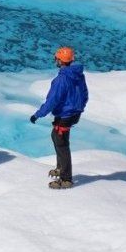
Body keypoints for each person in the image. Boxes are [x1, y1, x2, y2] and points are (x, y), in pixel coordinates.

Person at [30, 46, 89, 189]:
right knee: (56, 136)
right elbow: (85, 94)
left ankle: (66, 179)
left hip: (65, 115)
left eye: (56, 58)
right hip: (74, 113)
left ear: (60, 61)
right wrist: (78, 108)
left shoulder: (61, 80)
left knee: (61, 143)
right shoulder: (78, 75)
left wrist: (38, 114)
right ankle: (61, 167)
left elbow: (52, 101)